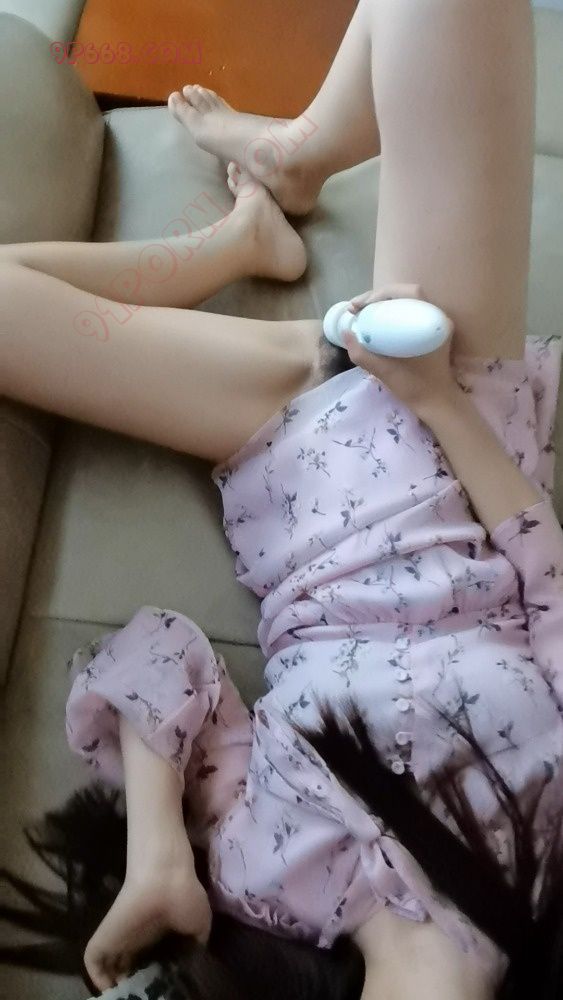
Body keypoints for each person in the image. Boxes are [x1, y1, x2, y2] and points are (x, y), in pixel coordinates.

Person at [2, 0, 563, 998]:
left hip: (282, 456)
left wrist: (160, 851)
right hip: (438, 398)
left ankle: (240, 240)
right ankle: (295, 157)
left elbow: (159, 651)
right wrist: (433, 396)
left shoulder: (266, 888)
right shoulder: (545, 870)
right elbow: (546, 578)